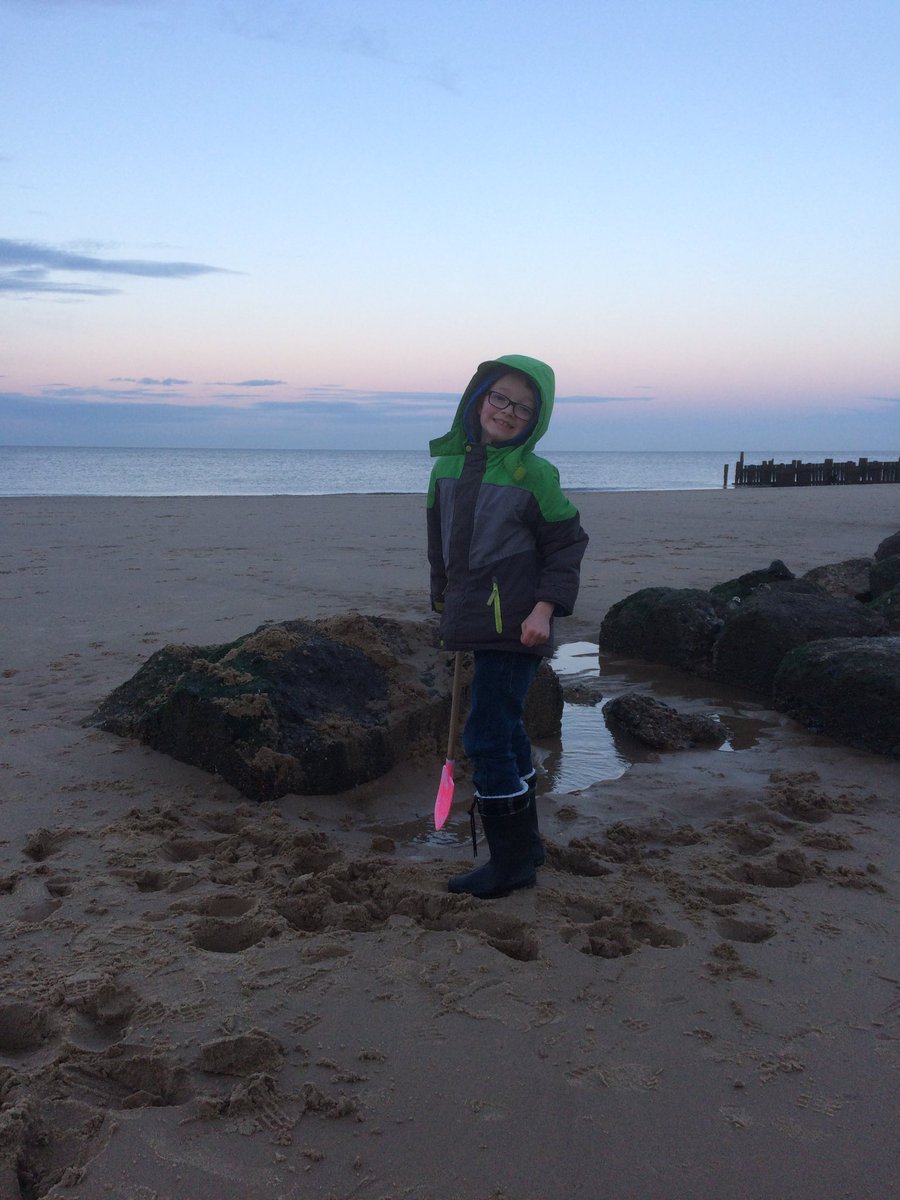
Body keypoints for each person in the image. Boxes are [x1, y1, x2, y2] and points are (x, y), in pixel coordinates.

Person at [427, 354, 588, 899]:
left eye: (524, 406)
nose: (508, 411)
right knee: (508, 731)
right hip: (470, 617)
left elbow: (567, 544)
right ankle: (528, 847)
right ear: (478, 398)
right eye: (500, 398)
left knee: (487, 735)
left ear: (535, 418)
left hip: (521, 627)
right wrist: (443, 604)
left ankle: (510, 862)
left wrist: (545, 609)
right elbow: (440, 547)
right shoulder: (445, 466)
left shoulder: (536, 475)